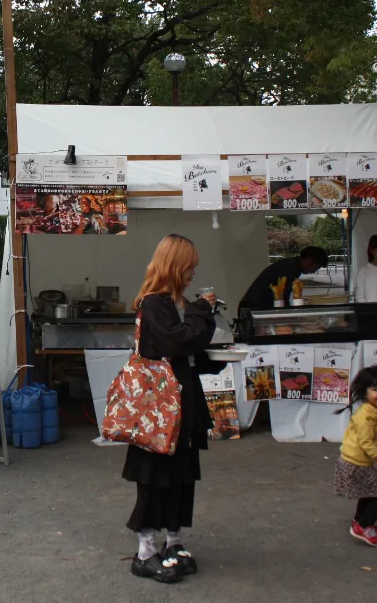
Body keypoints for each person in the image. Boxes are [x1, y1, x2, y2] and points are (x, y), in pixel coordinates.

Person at [122, 234, 223, 584]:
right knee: (154, 477)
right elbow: (179, 340)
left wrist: (214, 361)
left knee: (181, 476)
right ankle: (145, 551)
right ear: (176, 266)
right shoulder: (154, 303)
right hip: (160, 413)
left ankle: (174, 541)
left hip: (180, 407)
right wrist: (201, 310)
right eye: (190, 266)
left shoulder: (172, 303)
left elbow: (182, 352)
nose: (194, 272)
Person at [333, 366, 377, 547]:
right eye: (375, 389)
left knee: (370, 492)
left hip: (358, 462)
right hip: (354, 463)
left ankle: (359, 521)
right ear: (364, 392)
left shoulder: (376, 410)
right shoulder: (365, 417)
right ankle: (363, 525)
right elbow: (366, 443)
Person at [239, 246, 328, 313]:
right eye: (316, 267)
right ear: (308, 260)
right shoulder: (289, 269)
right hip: (253, 310)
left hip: (253, 308)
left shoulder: (291, 265)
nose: (313, 272)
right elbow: (283, 298)